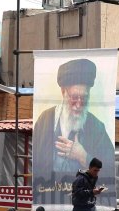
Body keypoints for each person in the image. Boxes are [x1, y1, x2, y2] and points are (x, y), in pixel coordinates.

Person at [32, 58, 113, 202]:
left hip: (84, 201)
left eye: (84, 98)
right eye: (74, 97)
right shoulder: (44, 121)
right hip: (50, 198)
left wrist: (84, 157)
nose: (78, 105)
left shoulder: (97, 128)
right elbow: (36, 165)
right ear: (63, 92)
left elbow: (109, 170)